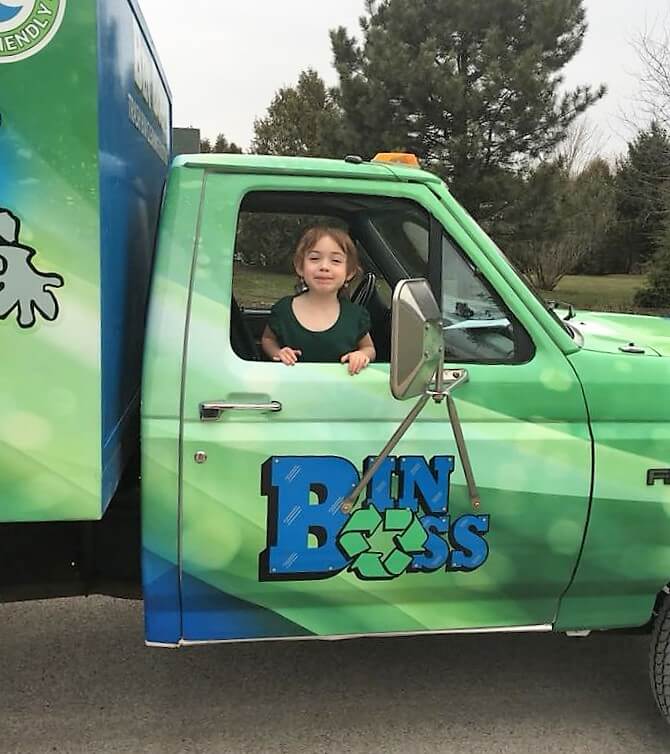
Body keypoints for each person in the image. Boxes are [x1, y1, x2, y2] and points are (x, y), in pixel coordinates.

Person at [261, 226, 376, 374]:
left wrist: (362, 355)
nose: (324, 267)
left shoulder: (356, 315)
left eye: (335, 260)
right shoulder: (283, 310)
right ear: (300, 267)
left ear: (350, 272)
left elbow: (369, 348)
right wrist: (278, 353)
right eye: (315, 258)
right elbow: (268, 340)